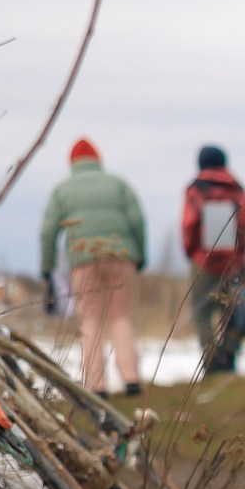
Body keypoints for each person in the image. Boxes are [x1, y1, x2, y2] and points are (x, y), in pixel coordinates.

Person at [37, 137, 146, 396]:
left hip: (83, 261)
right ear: (98, 160)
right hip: (121, 256)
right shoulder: (118, 184)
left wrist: (47, 267)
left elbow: (47, 231)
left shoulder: (63, 190)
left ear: (72, 162)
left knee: (90, 320)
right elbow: (137, 220)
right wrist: (139, 255)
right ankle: (131, 379)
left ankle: (96, 384)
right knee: (121, 316)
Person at [179, 145, 245, 378]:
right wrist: (242, 257)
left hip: (203, 261)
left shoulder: (195, 189)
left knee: (201, 312)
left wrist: (192, 252)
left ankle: (211, 362)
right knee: (229, 310)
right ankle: (229, 358)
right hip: (232, 262)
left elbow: (189, 224)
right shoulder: (238, 189)